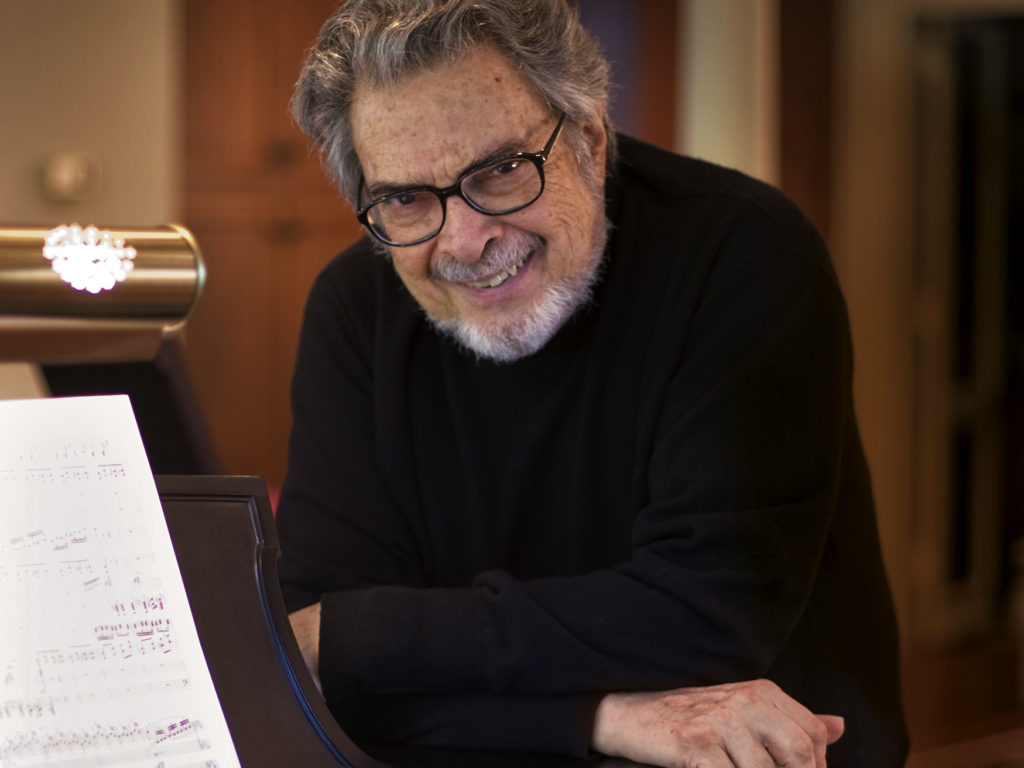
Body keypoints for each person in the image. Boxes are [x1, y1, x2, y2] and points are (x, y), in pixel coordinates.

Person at [276, 1, 909, 766]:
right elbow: (315, 681)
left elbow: (709, 618)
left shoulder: (745, 257)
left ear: (589, 141)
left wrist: (367, 634)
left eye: (502, 170)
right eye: (407, 197)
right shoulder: (353, 308)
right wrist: (599, 718)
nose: (467, 240)